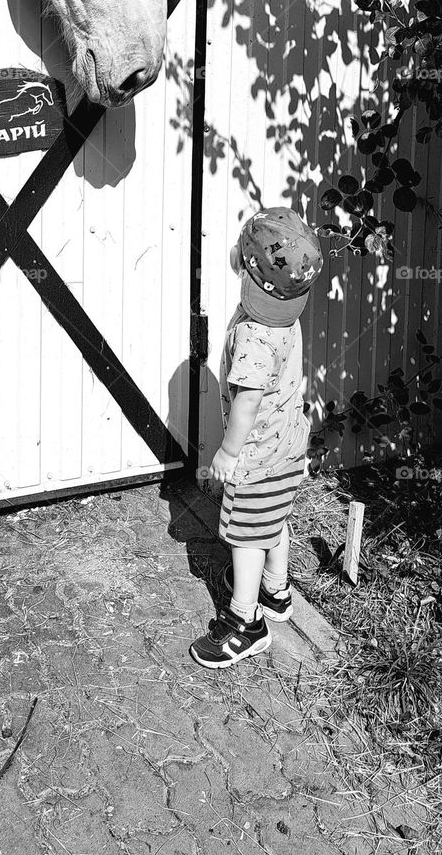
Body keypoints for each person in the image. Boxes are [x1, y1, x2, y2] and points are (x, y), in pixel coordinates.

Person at [189, 207, 324, 669]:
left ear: (244, 265)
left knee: (246, 537)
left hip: (255, 456)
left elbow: (246, 402)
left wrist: (227, 452)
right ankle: (278, 593)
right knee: (275, 523)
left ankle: (245, 623)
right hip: (288, 447)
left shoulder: (251, 334)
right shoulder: (286, 317)